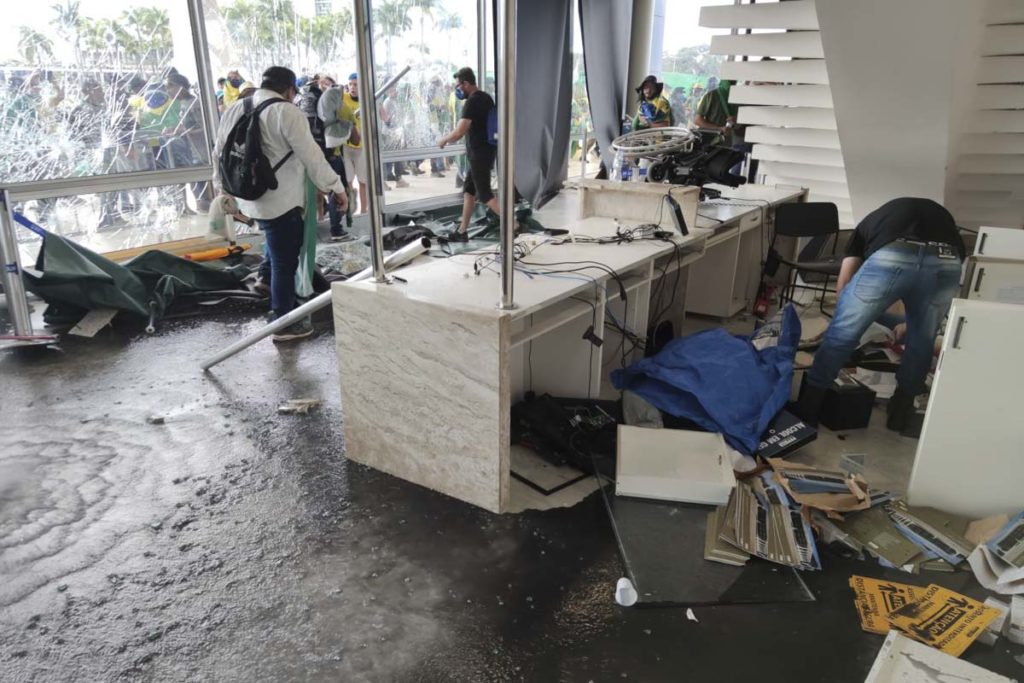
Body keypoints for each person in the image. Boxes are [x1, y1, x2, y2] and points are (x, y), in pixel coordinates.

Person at [794, 198, 965, 431]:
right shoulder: (936, 218)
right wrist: (911, 324)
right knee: (922, 341)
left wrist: (844, 321)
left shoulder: (862, 230)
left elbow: (843, 287)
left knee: (843, 334)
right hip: (948, 260)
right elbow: (932, 273)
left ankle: (809, 410)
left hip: (895, 253)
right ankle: (900, 413)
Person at [212, 66, 349, 342]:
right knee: (286, 259)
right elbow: (312, 157)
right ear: (289, 90)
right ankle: (283, 322)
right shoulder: (286, 112)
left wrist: (224, 190)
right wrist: (336, 187)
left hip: (248, 196)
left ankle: (264, 280)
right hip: (280, 200)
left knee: (275, 246)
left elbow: (219, 153)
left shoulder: (236, 108)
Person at [437, 67, 498, 242]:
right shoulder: (486, 98)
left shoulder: (473, 102)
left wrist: (444, 140)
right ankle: (462, 231)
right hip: (483, 152)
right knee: (469, 190)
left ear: (465, 83)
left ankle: (514, 225)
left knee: (485, 194)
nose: (457, 90)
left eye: (458, 85)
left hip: (480, 154)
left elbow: (459, 132)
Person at [342, 72, 369, 214]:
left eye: (356, 85)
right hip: (346, 147)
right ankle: (349, 209)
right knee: (348, 179)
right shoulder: (343, 98)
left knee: (363, 181)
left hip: (362, 147)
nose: (352, 87)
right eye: (350, 84)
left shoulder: (366, 100)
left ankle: (364, 210)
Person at [694, 78, 738, 142]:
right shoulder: (711, 95)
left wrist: (736, 121)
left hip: (729, 142)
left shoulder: (737, 98)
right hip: (711, 141)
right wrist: (719, 129)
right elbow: (697, 120)